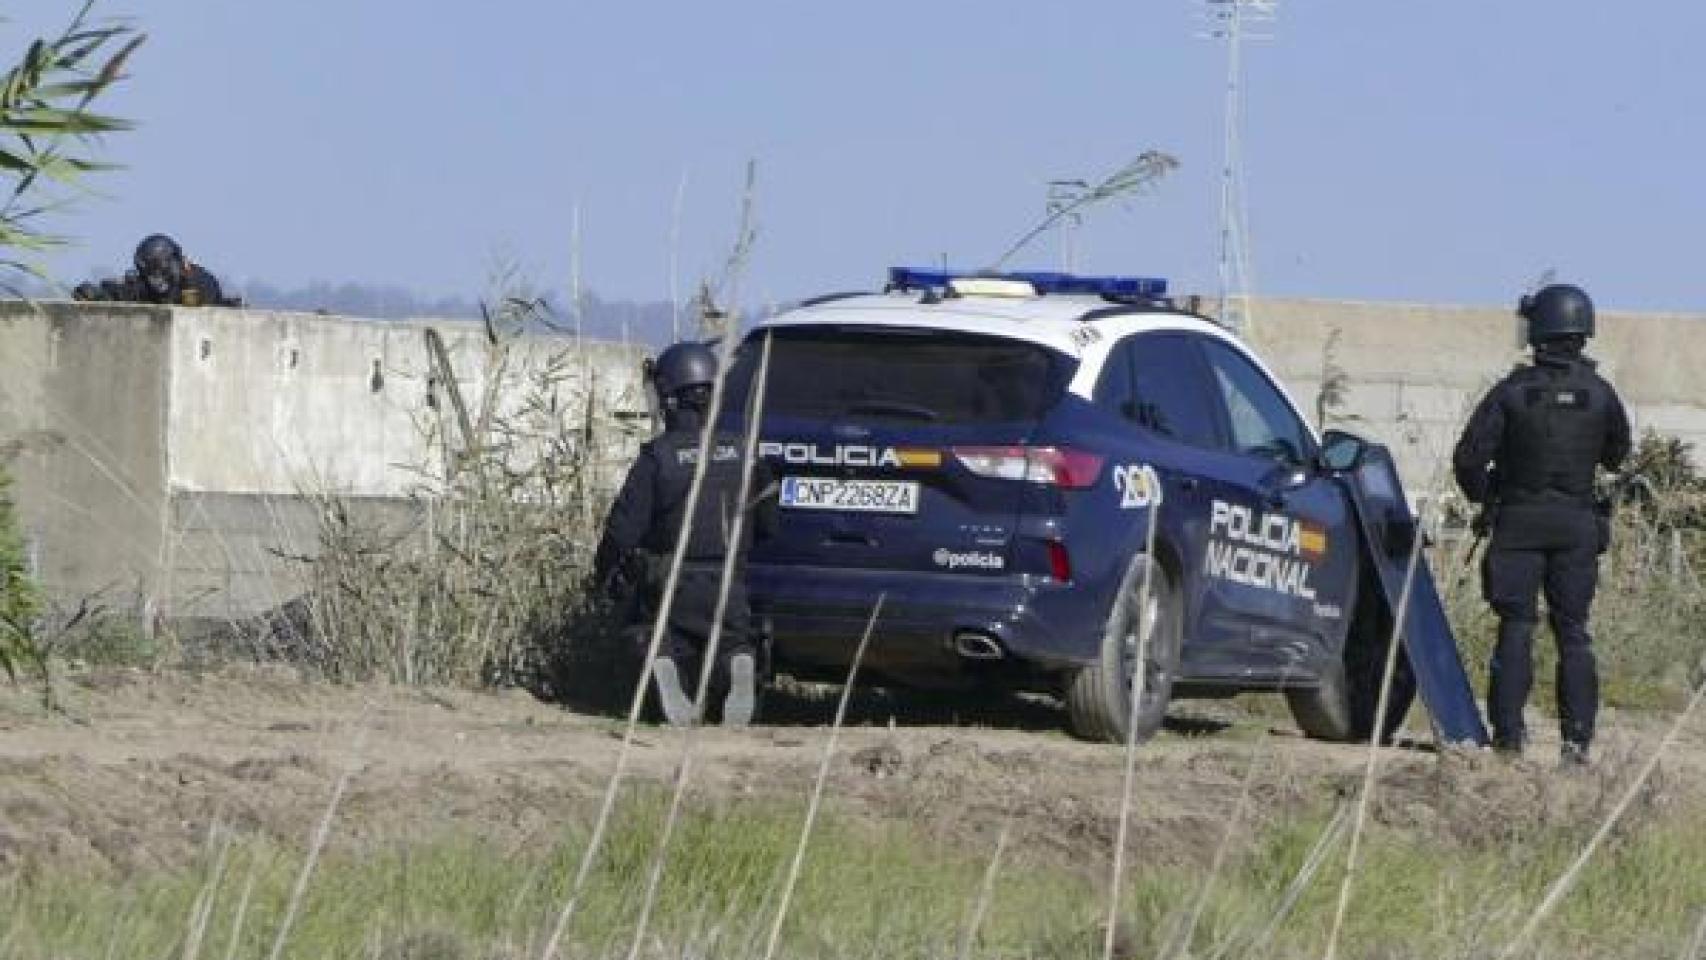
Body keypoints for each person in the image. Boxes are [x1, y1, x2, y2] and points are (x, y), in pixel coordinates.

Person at [1452, 283, 1632, 765]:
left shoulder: (1512, 391)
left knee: (1516, 626)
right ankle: (1576, 745)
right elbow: (1618, 456)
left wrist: (1488, 497)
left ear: (1540, 329)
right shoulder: (1600, 393)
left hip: (1517, 522)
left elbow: (1469, 459)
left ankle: (1509, 740)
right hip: (1576, 524)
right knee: (1573, 631)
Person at [591, 341, 774, 727]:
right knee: (732, 640)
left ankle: (663, 665)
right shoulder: (745, 453)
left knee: (651, 633)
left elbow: (622, 532)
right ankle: (738, 661)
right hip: (730, 585)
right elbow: (768, 524)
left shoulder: (658, 457)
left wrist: (604, 577)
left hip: (669, 583)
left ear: (671, 398)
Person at [72, 233, 237, 307]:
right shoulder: (147, 284)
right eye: (150, 275)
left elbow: (195, 309)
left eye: (156, 273)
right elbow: (125, 292)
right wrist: (97, 295)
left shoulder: (200, 281)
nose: (154, 280)